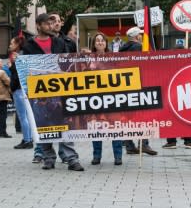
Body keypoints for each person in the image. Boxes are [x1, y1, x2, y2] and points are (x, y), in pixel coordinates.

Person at [22, 13, 84, 171]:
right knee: (43, 124)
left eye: (52, 23)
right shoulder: (29, 45)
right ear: (39, 25)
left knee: (66, 124)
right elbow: (25, 68)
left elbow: (67, 63)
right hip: (40, 92)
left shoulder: (59, 42)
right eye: (47, 24)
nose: (51, 26)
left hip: (60, 89)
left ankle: (71, 158)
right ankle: (48, 157)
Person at [119, 26, 158, 156]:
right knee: (143, 116)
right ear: (137, 37)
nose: (142, 37)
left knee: (127, 117)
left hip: (125, 87)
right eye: (140, 35)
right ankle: (144, 144)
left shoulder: (121, 49)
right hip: (140, 85)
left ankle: (129, 145)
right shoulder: (139, 48)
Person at [87, 32, 123, 166]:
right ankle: (97, 156)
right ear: (94, 44)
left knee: (115, 126)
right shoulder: (88, 58)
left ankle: (118, 156)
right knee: (96, 126)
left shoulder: (113, 57)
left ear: (106, 43)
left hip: (112, 96)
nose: (100, 42)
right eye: (97, 41)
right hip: (94, 97)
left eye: (102, 40)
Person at [8, 36, 35, 151]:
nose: (10, 45)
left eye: (12, 43)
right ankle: (28, 139)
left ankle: (27, 140)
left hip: (19, 90)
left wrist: (13, 65)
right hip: (22, 89)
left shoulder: (19, 57)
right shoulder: (22, 56)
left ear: (17, 44)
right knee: (25, 116)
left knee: (23, 116)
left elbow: (19, 74)